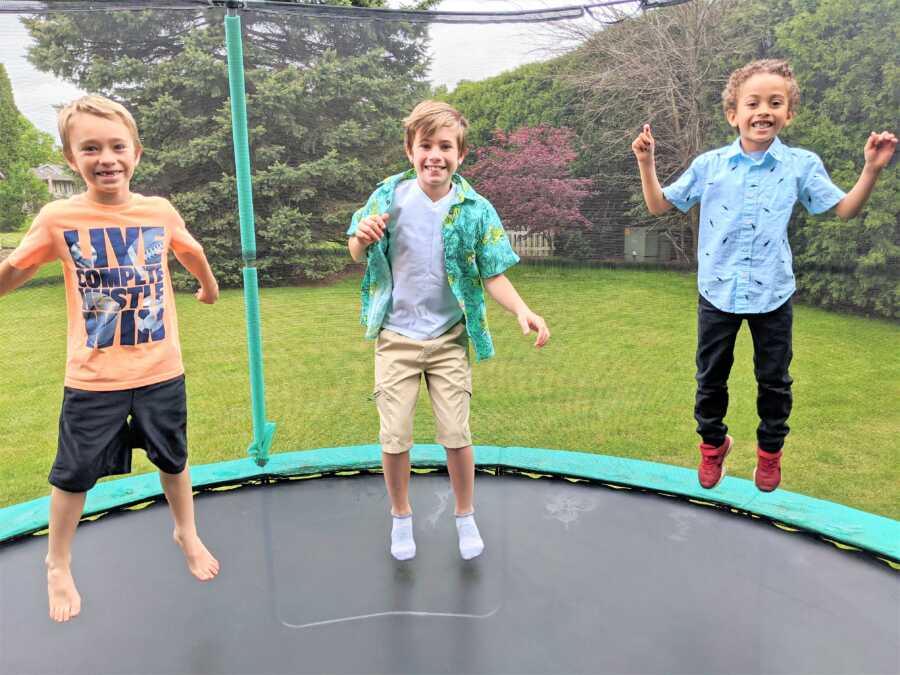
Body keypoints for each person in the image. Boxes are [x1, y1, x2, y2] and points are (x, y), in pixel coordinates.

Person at [0, 95, 222, 622]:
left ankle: (185, 532)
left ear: (136, 153)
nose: (107, 158)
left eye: (117, 146)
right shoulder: (60, 216)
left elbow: (190, 250)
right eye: (91, 148)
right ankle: (57, 563)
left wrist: (208, 287)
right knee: (72, 474)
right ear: (72, 157)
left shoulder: (158, 211)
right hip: (93, 377)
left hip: (161, 370)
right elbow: (17, 266)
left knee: (174, 460)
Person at [631, 59, 896, 492]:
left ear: (788, 113)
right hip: (717, 292)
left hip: (773, 293)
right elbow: (660, 205)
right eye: (753, 102)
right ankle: (714, 446)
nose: (763, 110)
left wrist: (871, 170)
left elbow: (845, 210)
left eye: (775, 102)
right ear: (733, 113)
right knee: (710, 379)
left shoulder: (800, 165)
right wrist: (647, 162)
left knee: (774, 381)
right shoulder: (711, 165)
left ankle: (770, 454)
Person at [347, 100, 550, 561]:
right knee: (394, 437)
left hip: (447, 339)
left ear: (460, 155)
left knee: (456, 435)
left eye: (445, 146)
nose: (434, 155)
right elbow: (355, 252)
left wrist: (522, 310)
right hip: (395, 336)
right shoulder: (387, 198)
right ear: (410, 150)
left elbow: (493, 271)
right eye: (426, 146)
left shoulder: (475, 209)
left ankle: (465, 515)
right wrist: (362, 236)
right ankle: (401, 517)